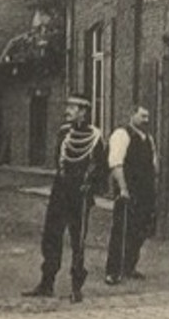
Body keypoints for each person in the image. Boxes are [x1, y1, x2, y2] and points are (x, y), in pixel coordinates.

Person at [23, 95, 108, 303]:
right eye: (68, 106)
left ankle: (76, 286)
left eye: (73, 107)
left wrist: (90, 186)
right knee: (51, 236)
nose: (68, 110)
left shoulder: (95, 136)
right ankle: (47, 282)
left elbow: (101, 168)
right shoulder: (63, 133)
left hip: (80, 194)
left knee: (77, 240)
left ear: (83, 110)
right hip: (60, 192)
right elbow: (58, 160)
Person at [105, 105, 158, 285]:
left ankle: (129, 266)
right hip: (128, 191)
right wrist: (123, 189)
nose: (146, 120)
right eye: (142, 116)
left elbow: (153, 165)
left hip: (145, 191)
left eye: (148, 116)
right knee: (122, 229)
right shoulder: (122, 135)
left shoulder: (148, 139)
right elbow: (116, 164)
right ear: (131, 114)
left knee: (140, 229)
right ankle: (113, 270)